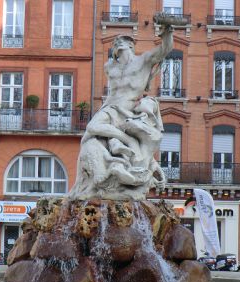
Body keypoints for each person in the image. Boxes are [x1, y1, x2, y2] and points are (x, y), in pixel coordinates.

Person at [69, 24, 173, 200]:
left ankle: (124, 149)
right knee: (89, 134)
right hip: (109, 108)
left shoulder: (143, 62)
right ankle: (81, 185)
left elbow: (164, 50)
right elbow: (111, 90)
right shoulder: (111, 68)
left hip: (127, 111)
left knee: (93, 128)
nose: (117, 46)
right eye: (115, 44)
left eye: (120, 43)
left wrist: (167, 33)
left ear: (130, 46)